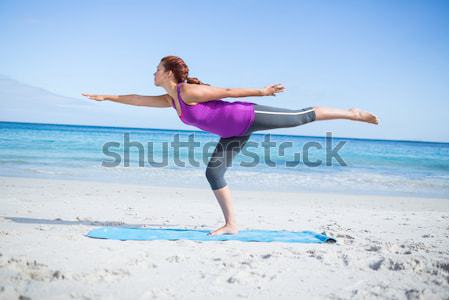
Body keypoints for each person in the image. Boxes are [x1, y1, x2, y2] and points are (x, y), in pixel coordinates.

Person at [82, 55, 379, 236]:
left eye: (157, 68)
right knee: (213, 173)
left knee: (301, 117)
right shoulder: (171, 100)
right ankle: (231, 224)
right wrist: (106, 96)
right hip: (232, 135)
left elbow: (225, 91)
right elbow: (136, 98)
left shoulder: (188, 91)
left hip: (248, 116)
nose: (153, 73)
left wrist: (261, 91)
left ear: (169, 73)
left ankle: (351, 113)